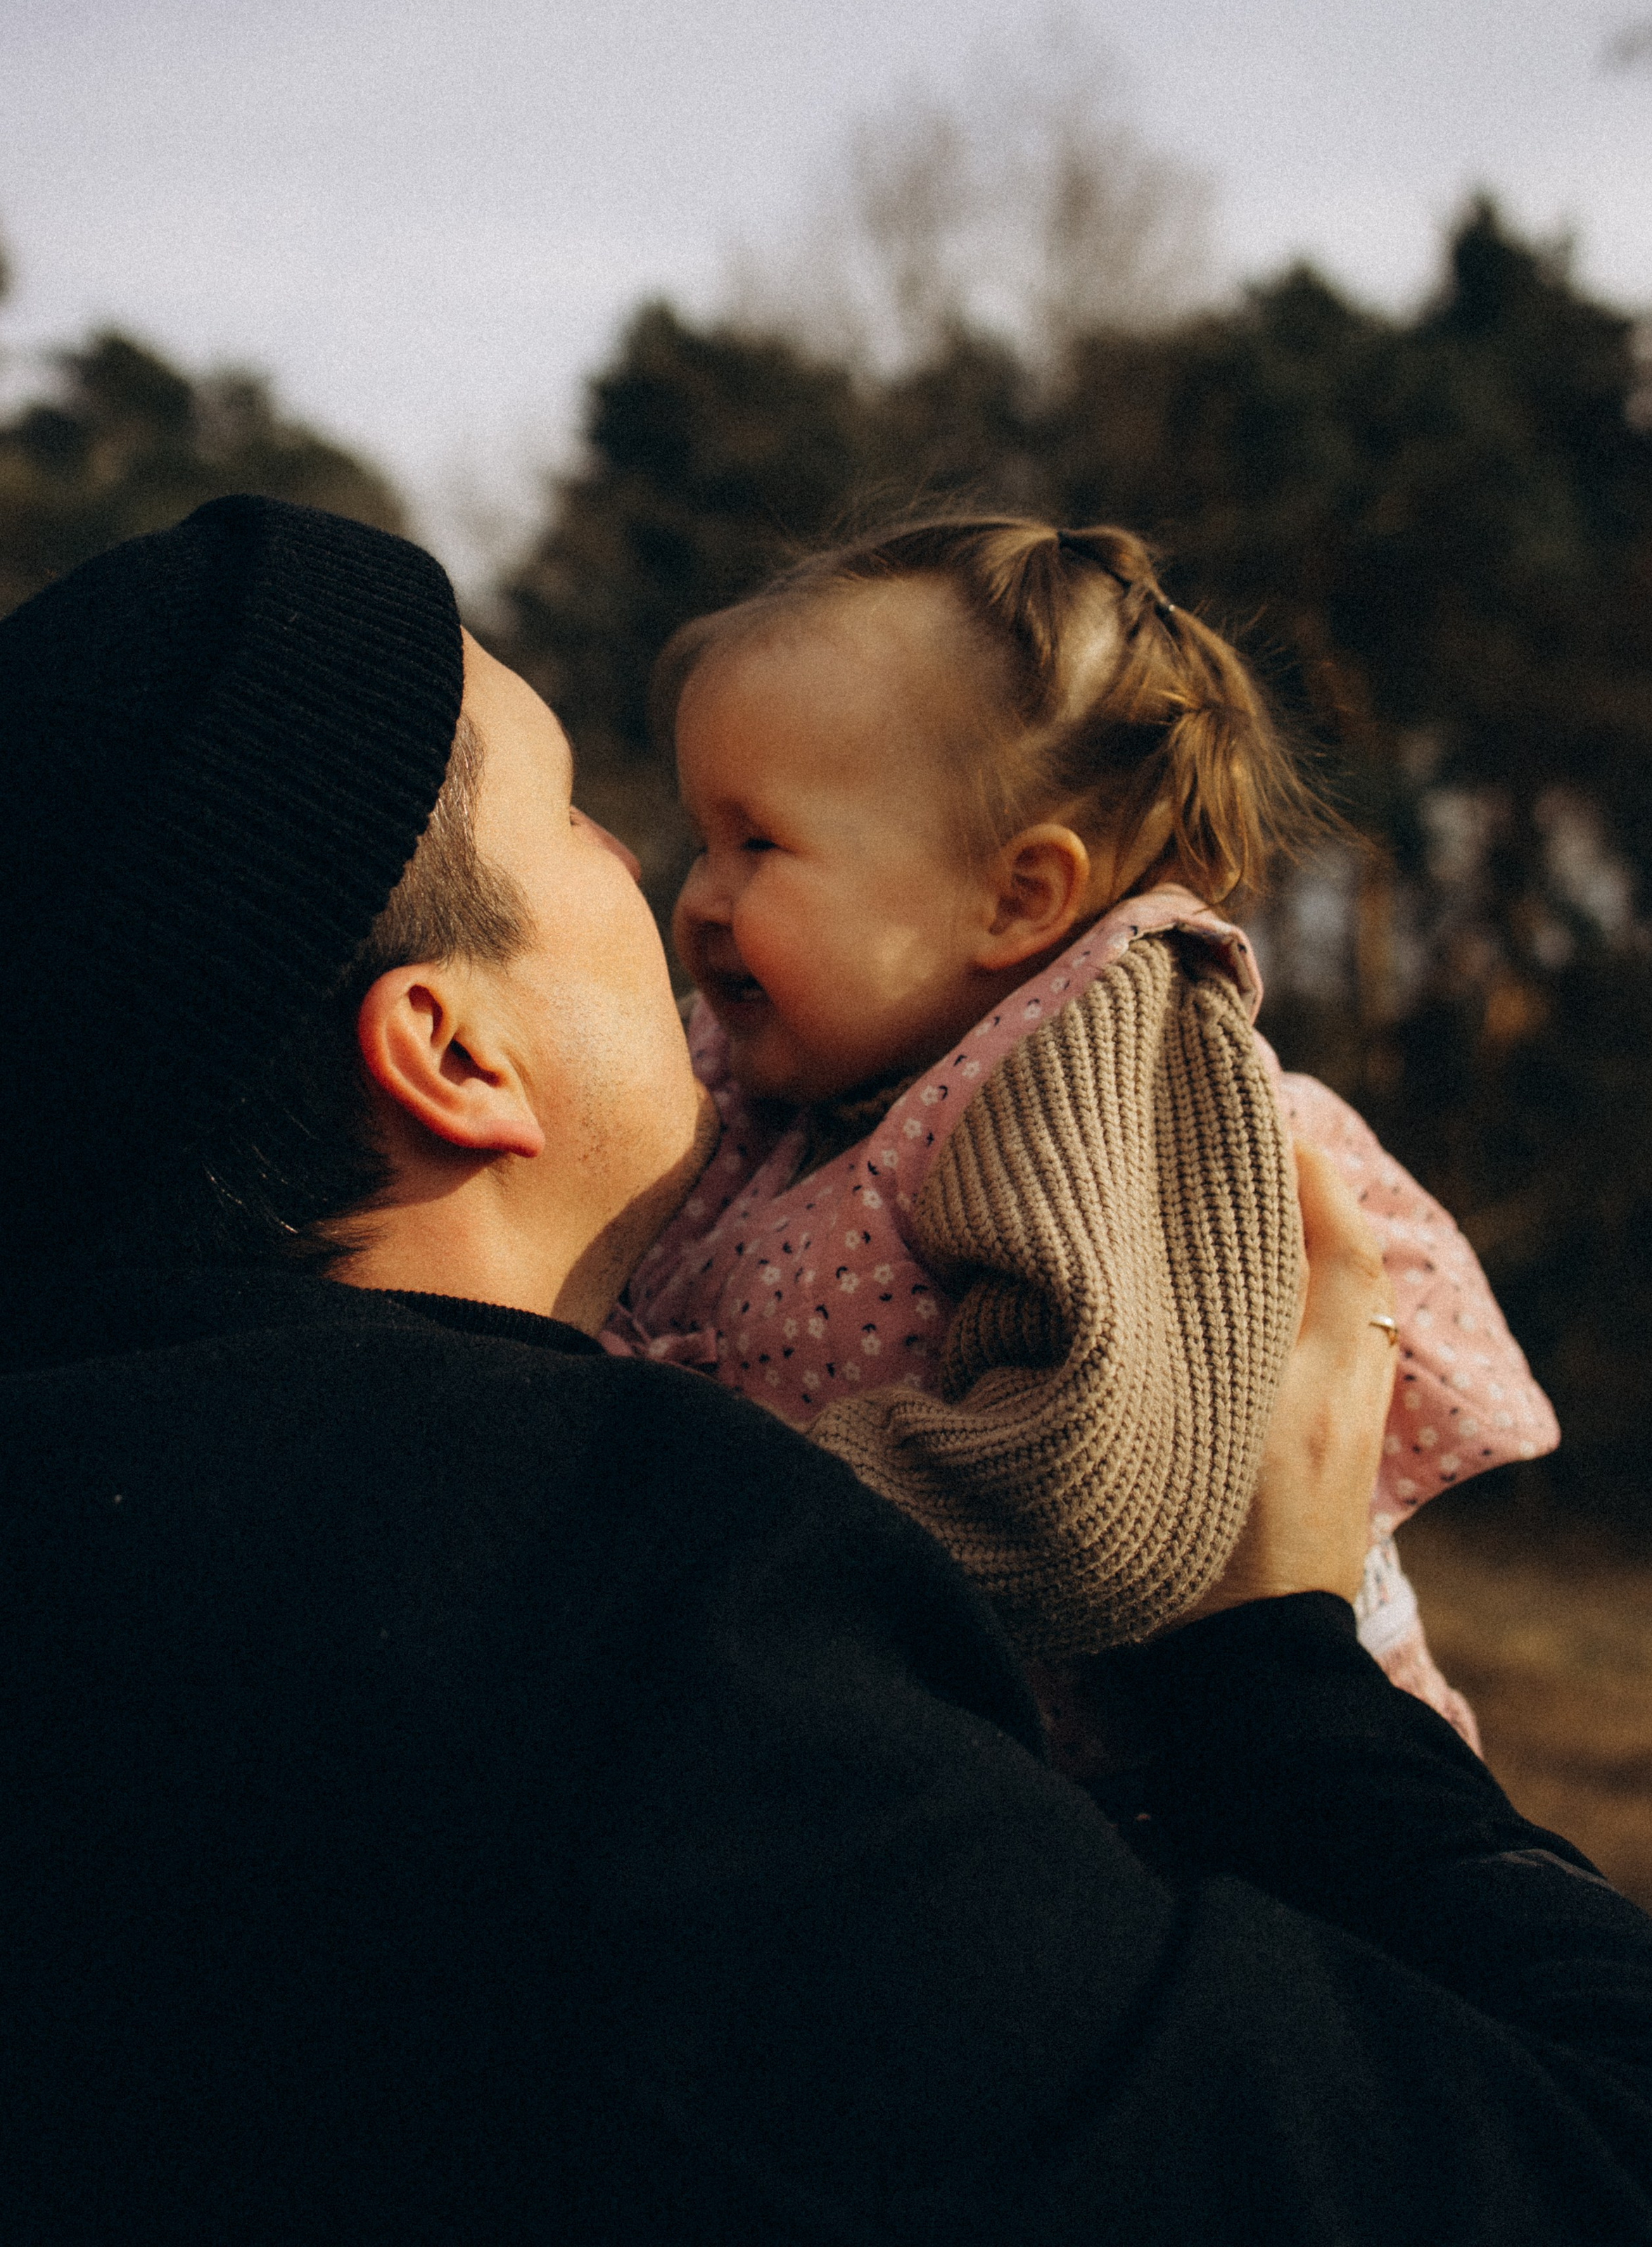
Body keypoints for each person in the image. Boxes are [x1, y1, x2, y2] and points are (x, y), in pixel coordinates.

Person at [0, 495, 1652, 2246]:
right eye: (593, 826)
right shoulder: (639, 1665)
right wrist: (1283, 1668)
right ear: (452, 1053)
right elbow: (1624, 2169)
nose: (676, 894)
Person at [619, 516, 1550, 1764]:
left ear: (1017, 897)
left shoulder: (1102, 1061)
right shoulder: (790, 1075)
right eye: (701, 840)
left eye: (759, 844)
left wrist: (701, 1509)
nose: (698, 898)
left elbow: (1090, 1492)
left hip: (1210, 1812)